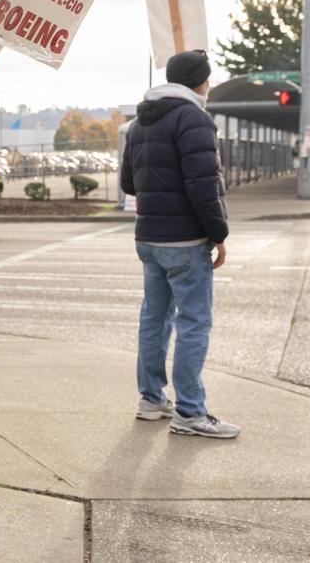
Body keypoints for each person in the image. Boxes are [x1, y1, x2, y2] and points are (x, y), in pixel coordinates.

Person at [120, 49, 236, 439]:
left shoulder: (140, 122)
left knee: (154, 319)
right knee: (194, 323)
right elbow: (204, 186)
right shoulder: (194, 118)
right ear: (199, 82)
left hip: (148, 238)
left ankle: (152, 400)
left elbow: (128, 185)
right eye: (208, 79)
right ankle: (190, 411)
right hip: (186, 240)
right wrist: (219, 233)